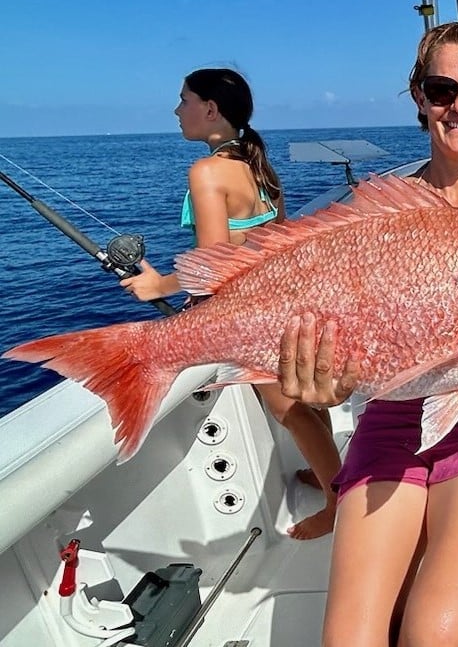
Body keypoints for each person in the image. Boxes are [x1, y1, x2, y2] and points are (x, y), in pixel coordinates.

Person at [273, 22, 458, 647]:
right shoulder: (375, 213)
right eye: (443, 88)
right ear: (418, 95)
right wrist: (327, 384)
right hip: (392, 422)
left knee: (433, 634)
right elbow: (339, 329)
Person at [120, 67, 341, 540]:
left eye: (183, 100)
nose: (177, 110)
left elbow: (214, 263)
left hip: (250, 313)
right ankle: (330, 472)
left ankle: (337, 503)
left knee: (289, 409)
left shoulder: (207, 171)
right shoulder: (258, 164)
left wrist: (157, 287)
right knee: (304, 398)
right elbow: (278, 241)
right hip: (284, 299)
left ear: (210, 110)